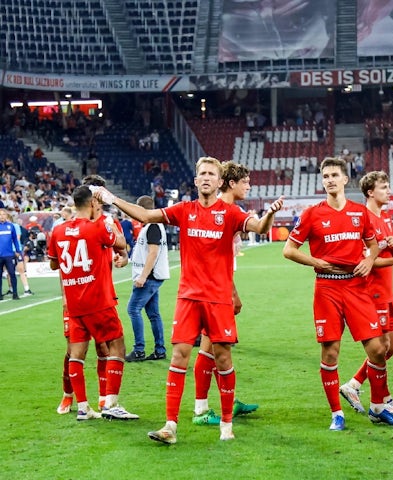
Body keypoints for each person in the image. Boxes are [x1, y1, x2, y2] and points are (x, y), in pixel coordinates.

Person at [92, 156, 284, 444]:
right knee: (179, 356)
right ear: (196, 181)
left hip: (218, 300)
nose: (206, 177)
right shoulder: (184, 210)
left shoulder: (229, 213)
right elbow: (145, 216)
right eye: (202, 173)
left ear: (220, 182)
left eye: (212, 174)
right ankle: (170, 426)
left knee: (223, 358)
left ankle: (227, 424)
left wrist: (270, 213)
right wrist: (111, 198)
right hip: (188, 298)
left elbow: (260, 228)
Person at [283, 157, 393, 431]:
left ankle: (377, 408)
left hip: (356, 286)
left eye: (334, 175)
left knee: (378, 349)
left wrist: (368, 260)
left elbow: (373, 245)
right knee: (330, 352)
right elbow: (288, 250)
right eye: (325, 175)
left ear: (344, 179)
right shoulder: (311, 214)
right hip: (326, 287)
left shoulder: (358, 212)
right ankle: (336, 413)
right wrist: (315, 262)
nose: (329, 179)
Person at [48, 186, 138, 421]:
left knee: (76, 354)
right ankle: (111, 404)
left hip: (74, 304)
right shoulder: (98, 226)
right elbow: (120, 244)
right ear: (93, 204)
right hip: (98, 300)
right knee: (117, 346)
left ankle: (83, 407)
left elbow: (53, 264)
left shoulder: (57, 231)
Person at [339, 171, 393, 416]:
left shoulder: (385, 217)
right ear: (370, 192)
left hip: (387, 291)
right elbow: (363, 262)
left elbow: (392, 253)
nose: (389, 190)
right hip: (371, 291)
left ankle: (354, 385)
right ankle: (381, 398)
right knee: (380, 347)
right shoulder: (362, 218)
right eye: (384, 187)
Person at [191, 162, 261, 427]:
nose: (248, 186)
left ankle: (227, 401)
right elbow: (214, 261)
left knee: (221, 348)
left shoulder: (232, 211)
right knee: (209, 347)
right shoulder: (220, 211)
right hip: (212, 291)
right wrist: (232, 293)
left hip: (220, 287)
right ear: (231, 183)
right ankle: (200, 410)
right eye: (245, 182)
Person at [124, 196, 170, 363]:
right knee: (153, 314)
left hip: (149, 277)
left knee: (133, 309)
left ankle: (139, 350)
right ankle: (159, 349)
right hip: (153, 276)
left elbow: (153, 252)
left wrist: (143, 275)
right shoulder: (153, 226)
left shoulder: (152, 226)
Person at [0, 208, 21, 301]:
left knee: (12, 274)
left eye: (3, 214)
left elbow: (15, 240)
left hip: (9, 254)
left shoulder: (11, 226)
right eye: (0, 215)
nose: (2, 216)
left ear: (6, 216)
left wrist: (18, 250)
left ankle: (15, 293)